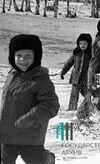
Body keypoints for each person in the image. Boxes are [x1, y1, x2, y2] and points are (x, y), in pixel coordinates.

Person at [1, 34, 60, 164]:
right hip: (7, 134)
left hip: (30, 136)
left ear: (36, 57)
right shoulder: (12, 76)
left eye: (28, 55)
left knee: (34, 160)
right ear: (12, 57)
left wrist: (31, 118)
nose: (23, 59)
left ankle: (47, 159)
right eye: (19, 55)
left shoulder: (41, 80)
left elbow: (51, 105)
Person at [60, 33, 92, 110]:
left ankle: (89, 108)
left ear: (89, 44)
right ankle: (72, 108)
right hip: (76, 78)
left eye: (84, 44)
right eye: (80, 43)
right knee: (74, 94)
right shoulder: (76, 53)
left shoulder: (90, 53)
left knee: (86, 94)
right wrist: (63, 72)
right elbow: (69, 63)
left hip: (85, 78)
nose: (82, 45)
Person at [87, 17, 100, 92]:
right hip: (96, 70)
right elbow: (97, 53)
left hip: (98, 69)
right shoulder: (99, 40)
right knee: (94, 94)